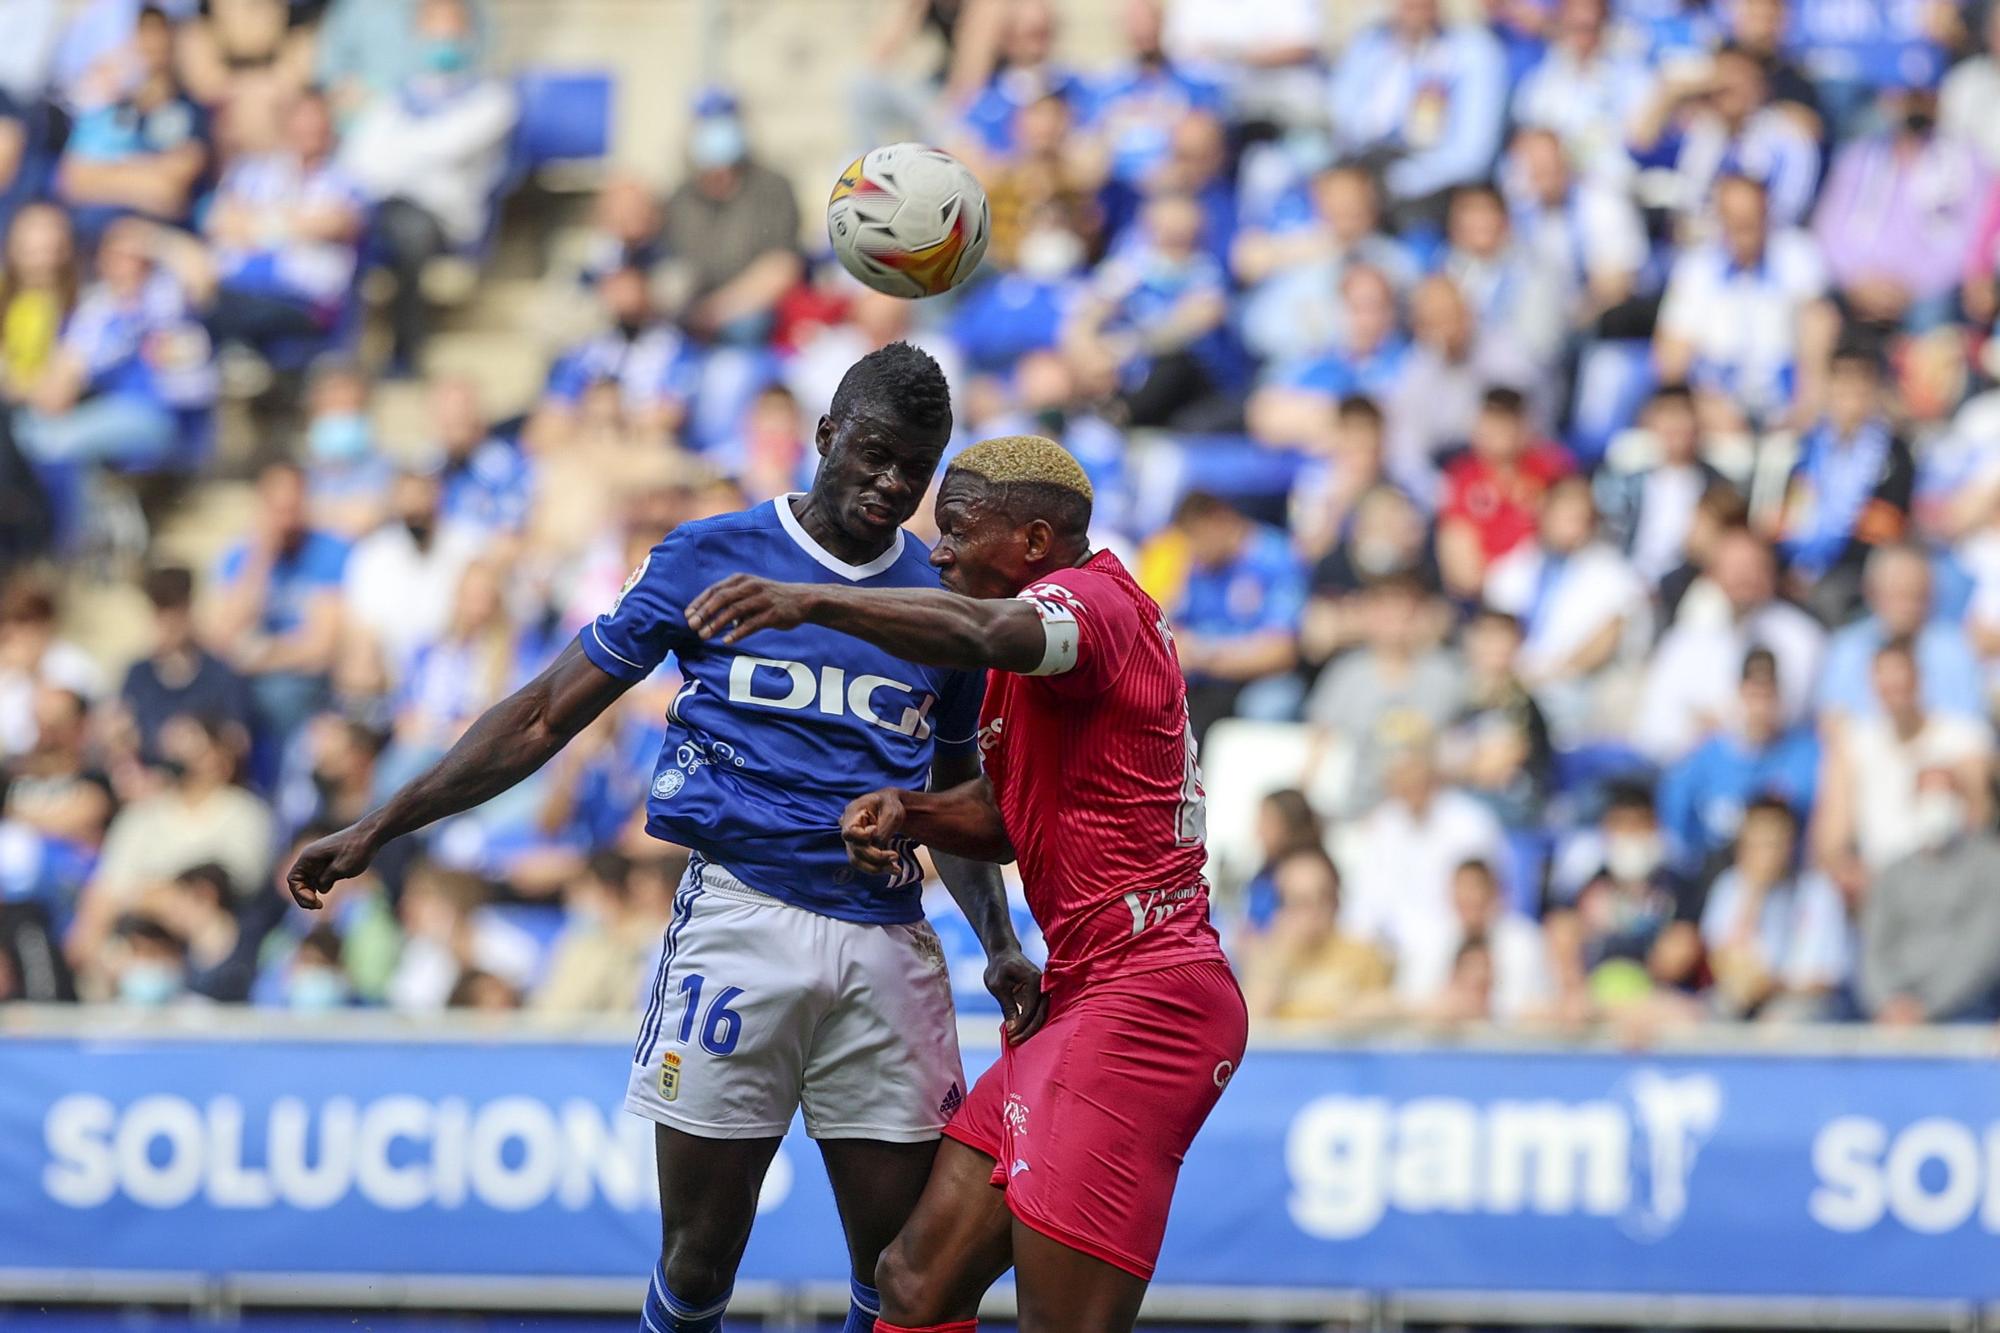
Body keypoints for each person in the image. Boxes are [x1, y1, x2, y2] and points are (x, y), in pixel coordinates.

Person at [285, 344, 1040, 1333]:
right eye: (874, 454)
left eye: (916, 465)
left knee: (902, 1272)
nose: (892, 482)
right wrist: (380, 825)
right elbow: (546, 713)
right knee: (697, 1259)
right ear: (824, 437)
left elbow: (952, 793)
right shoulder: (709, 555)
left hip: (884, 939)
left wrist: (998, 943)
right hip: (739, 921)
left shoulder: (944, 608)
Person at [681, 432, 1246, 1333]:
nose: (933, 548)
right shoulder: (1034, 669)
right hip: (1081, 991)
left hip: (1148, 1002)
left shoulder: (1089, 605)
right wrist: (913, 811)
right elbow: (1009, 811)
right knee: (913, 1280)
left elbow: (990, 630)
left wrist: (812, 601)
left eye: (953, 529)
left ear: (1029, 542)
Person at [336, 0, 515, 372]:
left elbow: (444, 148)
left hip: (448, 221)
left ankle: (406, 353)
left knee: (409, 229)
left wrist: (398, 155)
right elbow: (358, 164)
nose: (442, 38)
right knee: (348, 224)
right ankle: (337, 351)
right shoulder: (393, 100)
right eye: (433, 28)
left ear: (471, 34)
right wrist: (405, 158)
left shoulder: (493, 99)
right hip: (385, 211)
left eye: (452, 28)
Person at [1656, 648, 1818, 876]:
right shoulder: (1705, 756)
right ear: (1739, 694)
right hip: (1711, 877)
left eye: (1768, 696)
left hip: (1783, 881)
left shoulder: (1805, 754)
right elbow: (1676, 831)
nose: (1760, 709)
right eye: (1753, 696)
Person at [1858, 765, 2000, 1025]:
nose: (1934, 807)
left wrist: (1926, 1007)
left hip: (1966, 1008)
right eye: (1926, 798)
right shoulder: (1892, 873)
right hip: (1892, 1011)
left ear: (1961, 804)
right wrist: (1887, 1002)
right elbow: (1872, 948)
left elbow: (1982, 951)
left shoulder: (1990, 866)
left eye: (1943, 798)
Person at [1698, 797, 1849, 1022]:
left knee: (1780, 1022)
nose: (1765, 855)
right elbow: (1722, 958)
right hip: (1743, 1000)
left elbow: (1825, 979)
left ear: (1791, 845)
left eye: (1773, 844)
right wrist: (1754, 895)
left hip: (1799, 1002)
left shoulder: (1818, 891)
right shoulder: (1730, 886)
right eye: (1755, 844)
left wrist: (1773, 986)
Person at [1239, 845, 1391, 1023]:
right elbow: (1250, 1021)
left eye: (1320, 899)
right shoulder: (1266, 954)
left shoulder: (1363, 955)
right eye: (1297, 902)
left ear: (1335, 902)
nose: (1310, 913)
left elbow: (1380, 1013)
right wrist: (1279, 956)